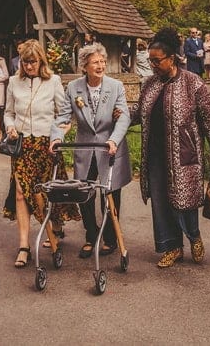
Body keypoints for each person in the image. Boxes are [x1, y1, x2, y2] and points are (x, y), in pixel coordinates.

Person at [129, 27, 210, 268]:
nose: (153, 65)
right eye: (150, 61)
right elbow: (138, 112)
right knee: (160, 202)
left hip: (183, 154)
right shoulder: (150, 84)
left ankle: (194, 237)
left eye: (157, 61)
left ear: (172, 58)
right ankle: (172, 247)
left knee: (184, 201)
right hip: (155, 155)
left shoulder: (192, 83)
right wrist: (117, 116)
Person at [2, 40, 80, 269]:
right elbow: (8, 112)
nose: (29, 66)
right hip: (22, 145)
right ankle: (24, 246)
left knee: (49, 192)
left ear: (41, 61)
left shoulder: (53, 81)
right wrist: (10, 127)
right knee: (21, 194)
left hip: (47, 145)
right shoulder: (13, 82)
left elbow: (63, 114)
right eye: (25, 62)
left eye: (33, 62)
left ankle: (56, 226)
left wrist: (59, 135)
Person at [50, 43, 131, 258]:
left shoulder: (115, 86)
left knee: (110, 194)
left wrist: (113, 140)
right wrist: (56, 137)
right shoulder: (73, 88)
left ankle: (110, 238)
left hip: (109, 148)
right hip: (85, 148)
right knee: (84, 193)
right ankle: (91, 235)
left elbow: (123, 117)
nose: (101, 65)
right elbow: (63, 118)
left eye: (103, 61)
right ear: (84, 66)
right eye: (95, 62)